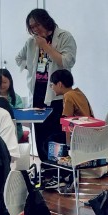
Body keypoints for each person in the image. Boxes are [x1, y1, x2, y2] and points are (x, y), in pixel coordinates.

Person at [14, 8, 77, 163]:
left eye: (37, 25)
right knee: (40, 133)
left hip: (57, 93)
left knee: (55, 133)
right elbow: (18, 59)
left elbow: (67, 62)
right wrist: (32, 68)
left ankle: (59, 168)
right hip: (38, 91)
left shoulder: (64, 37)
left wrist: (46, 47)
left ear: (46, 21)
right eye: (32, 27)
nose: (35, 30)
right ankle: (44, 167)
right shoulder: (31, 42)